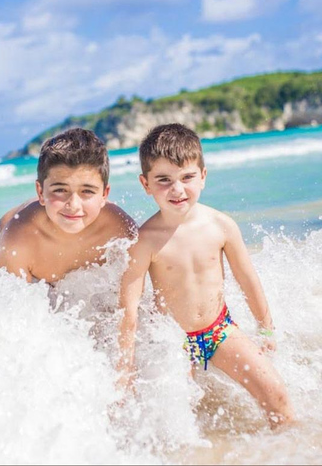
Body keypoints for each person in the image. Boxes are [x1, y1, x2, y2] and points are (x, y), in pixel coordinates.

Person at [116, 123, 294, 428]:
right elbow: (128, 309)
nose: (177, 189)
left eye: (187, 177)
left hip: (218, 330)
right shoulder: (144, 241)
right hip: (171, 341)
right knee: (181, 424)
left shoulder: (221, 225)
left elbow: (247, 278)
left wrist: (265, 328)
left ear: (203, 176)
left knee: (277, 398)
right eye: (164, 180)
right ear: (145, 184)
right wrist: (126, 367)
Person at [0, 128, 136, 283]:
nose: (74, 205)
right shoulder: (17, 240)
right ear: (40, 193)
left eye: (87, 191)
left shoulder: (121, 229)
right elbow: (17, 305)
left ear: (104, 195)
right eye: (60, 190)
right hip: (0, 243)